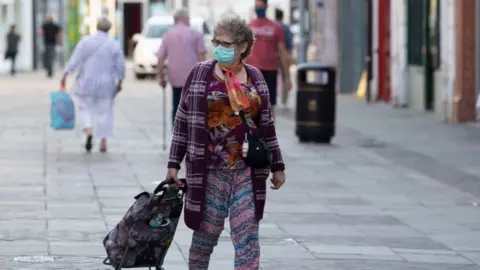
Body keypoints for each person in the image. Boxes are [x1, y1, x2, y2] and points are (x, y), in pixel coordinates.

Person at [166, 15, 286, 270]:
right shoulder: (200, 74)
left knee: (247, 236)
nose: (220, 48)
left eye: (227, 43)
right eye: (217, 41)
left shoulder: (255, 77)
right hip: (208, 171)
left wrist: (278, 166)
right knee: (205, 235)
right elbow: (183, 121)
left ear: (242, 45)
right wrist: (173, 163)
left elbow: (267, 125)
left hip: (246, 170)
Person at [59, 18, 125, 153]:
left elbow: (75, 60)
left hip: (86, 83)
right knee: (105, 113)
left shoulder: (86, 42)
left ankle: (88, 131)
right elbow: (120, 66)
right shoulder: (114, 45)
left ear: (96, 27)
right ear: (109, 29)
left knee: (85, 109)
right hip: (106, 85)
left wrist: (65, 74)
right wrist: (120, 81)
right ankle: (103, 141)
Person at [156, 8, 207, 125]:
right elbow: (202, 57)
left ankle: (177, 133)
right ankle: (192, 133)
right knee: (194, 108)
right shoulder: (196, 34)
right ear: (185, 18)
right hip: (194, 79)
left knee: (177, 106)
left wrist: (161, 77)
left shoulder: (168, 35)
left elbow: (160, 58)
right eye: (188, 18)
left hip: (175, 78)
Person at [247, 0, 292, 115]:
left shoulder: (276, 27)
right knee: (253, 103)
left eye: (260, 6)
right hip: (253, 71)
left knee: (270, 105)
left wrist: (287, 77)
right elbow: (242, 52)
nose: (258, 8)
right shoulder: (249, 27)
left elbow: (283, 52)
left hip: (271, 70)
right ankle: (255, 131)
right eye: (256, 6)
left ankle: (270, 130)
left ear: (266, 7)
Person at [275, 8, 293, 108]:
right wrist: (289, 54)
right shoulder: (286, 27)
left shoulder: (273, 26)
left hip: (274, 55)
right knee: (285, 76)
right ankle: (284, 101)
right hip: (284, 54)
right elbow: (289, 43)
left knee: (273, 76)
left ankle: (273, 98)